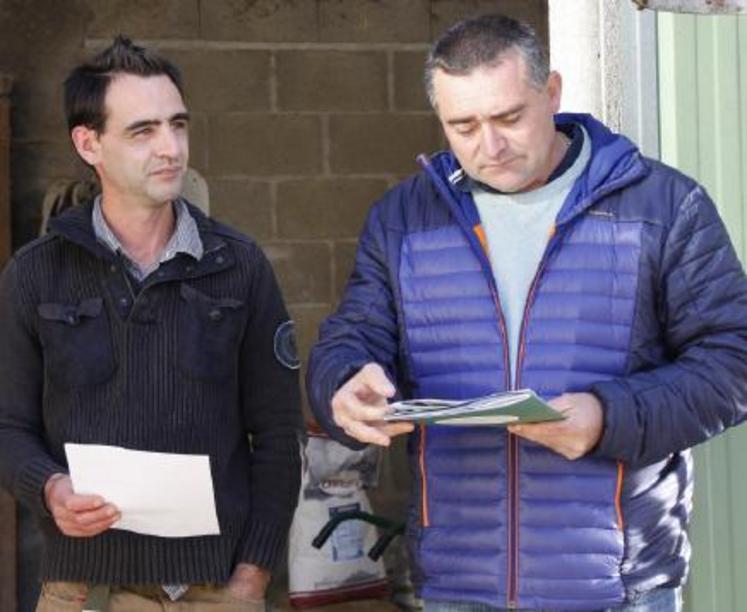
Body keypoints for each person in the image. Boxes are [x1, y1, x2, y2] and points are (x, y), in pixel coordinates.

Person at [307, 13, 747, 612]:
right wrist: (341, 385)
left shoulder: (663, 206)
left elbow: (732, 364)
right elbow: (352, 335)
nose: (490, 145)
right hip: (457, 585)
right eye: (462, 126)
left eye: (509, 117)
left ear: (553, 92)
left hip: (614, 587)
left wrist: (606, 417)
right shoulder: (405, 218)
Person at [0, 36, 303, 611]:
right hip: (82, 588)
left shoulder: (239, 267)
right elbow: (7, 425)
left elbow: (279, 435)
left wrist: (253, 576)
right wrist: (49, 486)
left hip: (215, 588)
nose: (171, 148)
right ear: (89, 143)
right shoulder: (35, 274)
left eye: (178, 125)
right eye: (143, 131)